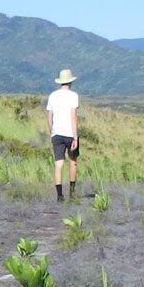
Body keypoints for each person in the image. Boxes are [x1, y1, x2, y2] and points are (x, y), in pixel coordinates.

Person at [46, 69, 81, 202]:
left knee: (58, 164)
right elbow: (74, 117)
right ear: (71, 81)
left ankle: (59, 195)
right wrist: (75, 137)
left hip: (56, 134)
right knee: (73, 162)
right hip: (70, 134)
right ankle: (72, 193)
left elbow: (49, 117)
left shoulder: (52, 96)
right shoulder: (73, 96)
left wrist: (52, 132)